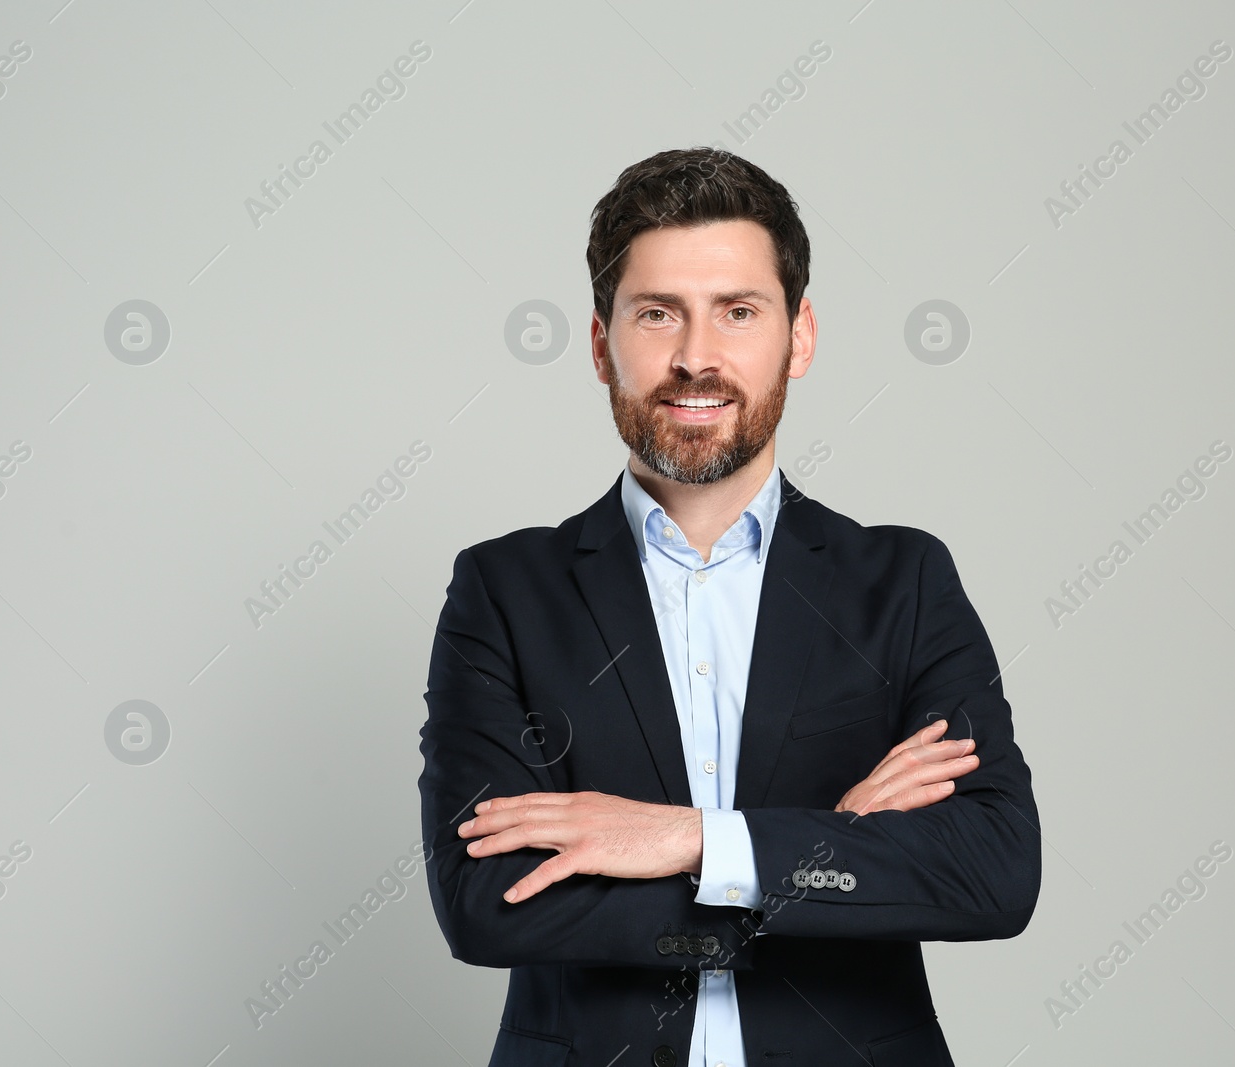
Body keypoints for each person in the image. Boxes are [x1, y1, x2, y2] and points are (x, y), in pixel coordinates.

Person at [418, 147, 1040, 1067]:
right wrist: (830, 852)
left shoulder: (902, 582)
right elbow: (486, 903)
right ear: (602, 345)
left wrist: (685, 839)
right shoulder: (505, 592)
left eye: (739, 312)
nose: (695, 357)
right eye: (657, 313)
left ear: (800, 337)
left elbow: (991, 872)